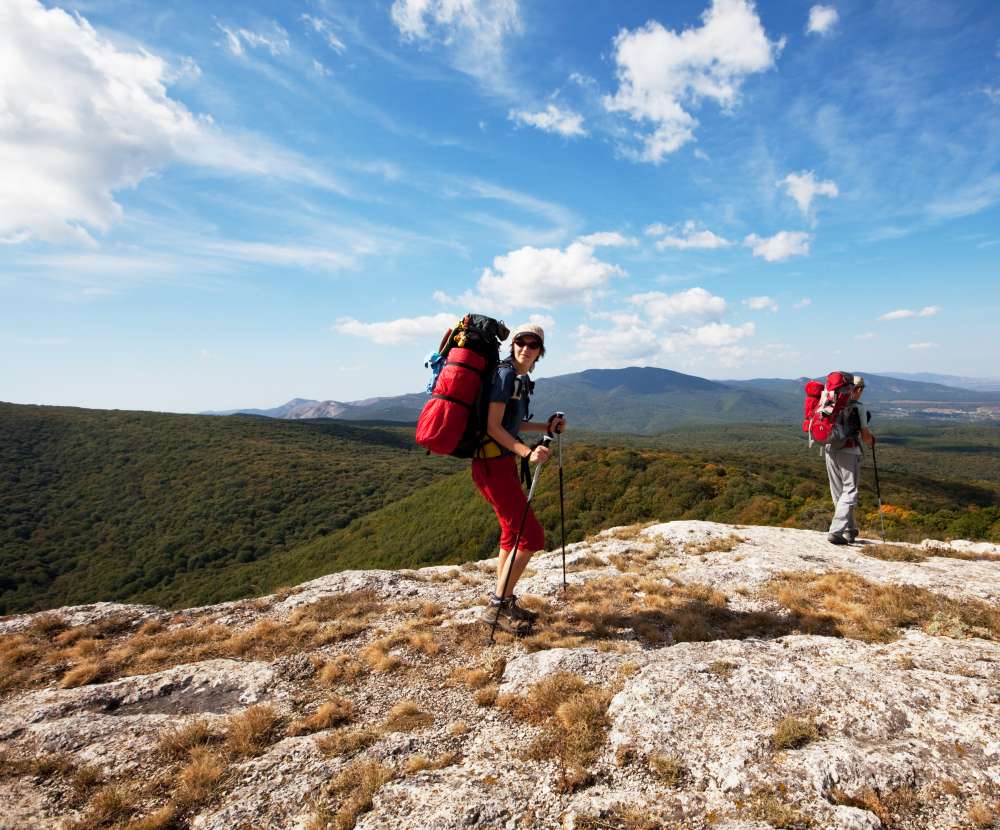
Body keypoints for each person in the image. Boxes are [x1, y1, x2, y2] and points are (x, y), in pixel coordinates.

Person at [473, 323, 565, 633]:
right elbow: (493, 427)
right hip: (492, 466)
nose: (526, 347)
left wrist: (545, 428)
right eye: (521, 342)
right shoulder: (505, 376)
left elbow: (512, 425)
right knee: (532, 537)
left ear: (541, 351)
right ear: (512, 345)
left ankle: (505, 599)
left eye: (533, 344)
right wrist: (527, 453)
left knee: (511, 534)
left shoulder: (520, 379)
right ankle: (496, 607)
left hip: (500, 462)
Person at [826, 376, 875, 545]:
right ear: (858, 389)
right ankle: (836, 531)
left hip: (829, 448)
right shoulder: (858, 407)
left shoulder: (829, 402)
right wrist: (871, 441)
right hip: (849, 450)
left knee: (838, 492)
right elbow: (865, 435)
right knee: (850, 490)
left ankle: (849, 529)